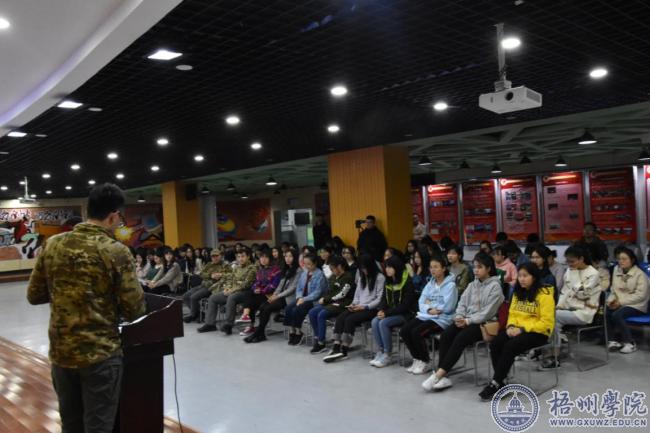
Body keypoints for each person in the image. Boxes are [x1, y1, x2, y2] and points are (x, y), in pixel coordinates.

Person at [27, 183, 146, 433]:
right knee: (98, 426)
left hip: (62, 353)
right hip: (100, 355)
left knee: (71, 425)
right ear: (113, 216)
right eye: (120, 218)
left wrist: (66, 293)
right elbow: (134, 309)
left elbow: (34, 295)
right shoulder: (115, 251)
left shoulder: (53, 244)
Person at [421, 252, 504, 392]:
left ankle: (438, 375)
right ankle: (443, 375)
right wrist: (459, 316)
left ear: (489, 268)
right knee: (446, 334)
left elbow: (487, 313)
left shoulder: (495, 287)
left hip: (484, 324)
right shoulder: (472, 285)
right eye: (474, 267)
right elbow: (462, 303)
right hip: (467, 320)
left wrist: (468, 320)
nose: (476, 270)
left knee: (461, 338)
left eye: (480, 267)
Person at [477, 262, 555, 401]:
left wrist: (522, 329)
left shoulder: (545, 294)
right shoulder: (517, 292)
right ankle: (501, 380)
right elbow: (512, 314)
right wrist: (511, 326)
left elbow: (546, 322)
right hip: (517, 329)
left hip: (538, 332)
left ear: (534, 277)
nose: (522, 279)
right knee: (495, 344)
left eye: (525, 276)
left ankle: (496, 383)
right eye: (519, 276)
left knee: (510, 346)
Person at [539, 245, 601, 369]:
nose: (569, 264)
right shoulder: (570, 270)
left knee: (553, 317)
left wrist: (575, 277)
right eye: (567, 261)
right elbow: (564, 292)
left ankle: (552, 354)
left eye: (572, 261)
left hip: (584, 311)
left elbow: (583, 294)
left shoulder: (593, 273)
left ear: (581, 259)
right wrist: (559, 306)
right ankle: (550, 352)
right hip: (568, 309)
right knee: (549, 316)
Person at [401, 255, 457, 375]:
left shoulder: (451, 286)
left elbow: (448, 307)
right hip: (427, 315)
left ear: (444, 268)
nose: (432, 270)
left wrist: (430, 304)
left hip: (442, 319)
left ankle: (425, 360)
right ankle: (417, 358)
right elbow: (421, 302)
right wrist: (430, 308)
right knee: (404, 331)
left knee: (416, 332)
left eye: (436, 267)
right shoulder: (430, 283)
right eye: (431, 267)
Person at [323, 254, 385, 362]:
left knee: (350, 319)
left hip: (371, 309)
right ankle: (336, 347)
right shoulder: (362, 276)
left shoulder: (380, 278)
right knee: (341, 317)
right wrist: (354, 304)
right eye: (362, 268)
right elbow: (357, 295)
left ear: (371, 266)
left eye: (365, 268)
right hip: (358, 306)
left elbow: (379, 299)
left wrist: (364, 306)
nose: (363, 270)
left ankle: (344, 350)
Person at [244, 249, 303, 343]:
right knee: (263, 306)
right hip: (280, 296)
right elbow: (280, 285)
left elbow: (293, 288)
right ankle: (261, 334)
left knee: (267, 308)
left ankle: (258, 333)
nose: (287, 258)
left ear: (295, 258)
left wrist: (277, 296)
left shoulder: (299, 270)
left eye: (290, 256)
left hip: (289, 298)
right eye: (286, 256)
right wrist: (274, 295)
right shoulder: (286, 269)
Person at [370, 256, 417, 367]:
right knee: (375, 321)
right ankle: (381, 351)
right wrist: (381, 310)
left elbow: (405, 306)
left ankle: (388, 354)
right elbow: (384, 299)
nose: (387, 269)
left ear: (397, 267)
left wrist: (386, 313)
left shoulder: (407, 282)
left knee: (383, 323)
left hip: (406, 314)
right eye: (386, 267)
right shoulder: (388, 281)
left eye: (390, 267)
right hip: (391, 312)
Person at [198, 248, 257, 335]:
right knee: (213, 298)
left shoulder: (252, 268)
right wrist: (227, 288)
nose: (240, 259)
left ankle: (229, 325)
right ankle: (210, 324)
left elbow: (246, 284)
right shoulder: (236, 267)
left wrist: (232, 290)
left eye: (243, 256)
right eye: (238, 257)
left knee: (231, 297)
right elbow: (231, 280)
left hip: (245, 293)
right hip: (233, 291)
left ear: (248, 257)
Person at [606, 247, 650, 354]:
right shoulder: (616, 270)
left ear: (632, 260)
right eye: (619, 259)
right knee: (607, 311)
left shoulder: (640, 274)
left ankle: (630, 343)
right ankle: (613, 341)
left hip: (637, 305)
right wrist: (611, 301)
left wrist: (620, 302)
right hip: (620, 302)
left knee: (617, 315)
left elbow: (641, 295)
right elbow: (613, 289)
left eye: (624, 259)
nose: (621, 261)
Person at [308, 256, 356, 353]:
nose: (331, 270)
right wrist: (324, 298)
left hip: (343, 303)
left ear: (339, 266)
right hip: (331, 303)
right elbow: (328, 291)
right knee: (312, 312)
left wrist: (326, 299)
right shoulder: (333, 277)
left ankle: (321, 343)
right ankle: (318, 337)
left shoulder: (348, 277)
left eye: (332, 268)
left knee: (322, 314)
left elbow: (342, 294)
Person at [284, 253, 328, 345]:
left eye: (309, 264)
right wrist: (299, 297)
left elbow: (317, 293)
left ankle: (299, 332)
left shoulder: (320, 275)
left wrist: (304, 299)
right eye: (305, 264)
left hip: (313, 300)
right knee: (288, 308)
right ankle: (292, 330)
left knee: (297, 309)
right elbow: (299, 288)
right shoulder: (304, 274)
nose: (307, 266)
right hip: (302, 298)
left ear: (315, 263)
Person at [236, 249, 282, 336]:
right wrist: (255, 289)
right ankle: (247, 318)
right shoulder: (260, 270)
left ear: (270, 258)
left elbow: (273, 286)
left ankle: (248, 321)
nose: (263, 259)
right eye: (261, 257)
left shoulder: (276, 270)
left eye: (266, 257)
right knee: (249, 294)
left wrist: (261, 290)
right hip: (261, 295)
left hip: (270, 296)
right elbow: (256, 283)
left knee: (250, 301)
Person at [182, 249, 231, 323]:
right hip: (203, 284)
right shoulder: (209, 265)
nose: (215, 258)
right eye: (213, 256)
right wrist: (210, 275)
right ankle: (199, 314)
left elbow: (231, 275)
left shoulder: (226, 265)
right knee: (185, 296)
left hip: (213, 287)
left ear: (220, 256)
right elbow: (201, 274)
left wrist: (221, 275)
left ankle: (193, 315)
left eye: (216, 256)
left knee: (193, 297)